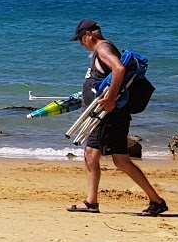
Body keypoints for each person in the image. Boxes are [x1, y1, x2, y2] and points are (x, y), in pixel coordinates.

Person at [68, 19, 167, 216]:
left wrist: (111, 99)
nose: (81, 43)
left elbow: (119, 70)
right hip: (111, 114)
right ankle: (156, 201)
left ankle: (91, 202)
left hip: (108, 115)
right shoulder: (103, 49)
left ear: (89, 35)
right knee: (119, 160)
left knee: (91, 154)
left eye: (80, 39)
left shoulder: (103, 48)